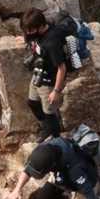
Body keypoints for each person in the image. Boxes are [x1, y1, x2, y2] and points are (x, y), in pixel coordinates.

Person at [4, 134, 100, 199]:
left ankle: (70, 198)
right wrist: (17, 190)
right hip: (60, 174)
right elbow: (28, 170)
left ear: (51, 165)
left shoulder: (75, 169)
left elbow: (89, 195)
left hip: (84, 177)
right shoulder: (44, 149)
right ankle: (64, 196)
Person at [21, 8, 70, 141]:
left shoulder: (52, 42)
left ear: (41, 26)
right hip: (39, 74)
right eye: (26, 30)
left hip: (49, 81)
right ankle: (46, 127)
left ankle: (55, 138)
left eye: (30, 30)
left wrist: (56, 91)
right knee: (32, 102)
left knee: (49, 112)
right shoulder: (39, 32)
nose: (28, 33)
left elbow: (62, 68)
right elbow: (34, 41)